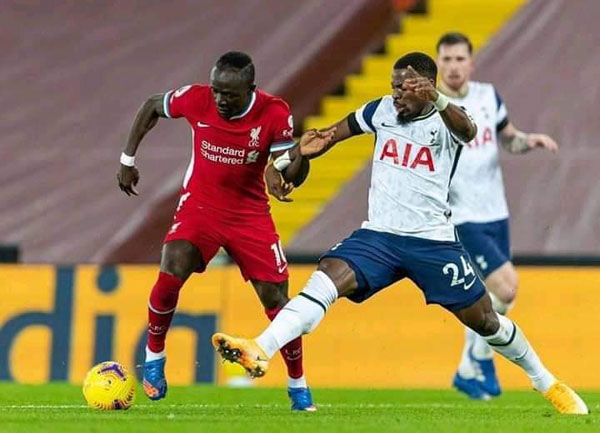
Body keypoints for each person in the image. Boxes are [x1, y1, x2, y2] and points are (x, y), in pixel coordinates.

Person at [211, 52, 588, 415]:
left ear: (425, 87)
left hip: (433, 241)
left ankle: (547, 382)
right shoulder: (381, 111)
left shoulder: (448, 120)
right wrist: (292, 156)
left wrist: (437, 99)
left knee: (486, 321)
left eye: (403, 89)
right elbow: (329, 135)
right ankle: (260, 348)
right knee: (323, 283)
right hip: (379, 237)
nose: (395, 96)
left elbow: (468, 130)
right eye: (393, 87)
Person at [117, 51, 334, 411]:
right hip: (201, 207)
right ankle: (154, 357)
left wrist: (302, 158)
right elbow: (152, 105)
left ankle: (298, 386)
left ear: (250, 89)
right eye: (217, 90)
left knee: (278, 302)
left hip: (249, 214)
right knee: (171, 270)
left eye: (229, 94)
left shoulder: (274, 112)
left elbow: (289, 174)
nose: (219, 99)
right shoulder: (196, 98)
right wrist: (128, 160)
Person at [436, 32, 559, 400]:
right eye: (447, 59)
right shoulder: (431, 109)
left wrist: (527, 141)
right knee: (507, 287)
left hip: (495, 212)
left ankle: (465, 368)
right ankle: (478, 356)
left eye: (460, 59)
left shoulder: (488, 97)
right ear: (438, 64)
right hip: (459, 216)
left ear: (471, 63)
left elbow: (507, 137)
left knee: (491, 298)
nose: (454, 66)